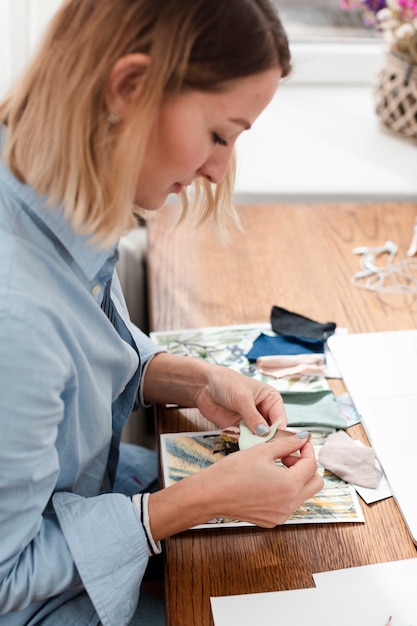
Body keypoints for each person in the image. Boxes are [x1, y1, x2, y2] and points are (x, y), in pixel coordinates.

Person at [0, 1, 324, 624]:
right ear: (128, 87)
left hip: (93, 504)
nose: (217, 169)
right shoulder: (16, 313)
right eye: (218, 134)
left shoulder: (59, 183)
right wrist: (193, 502)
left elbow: (87, 351)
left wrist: (196, 378)